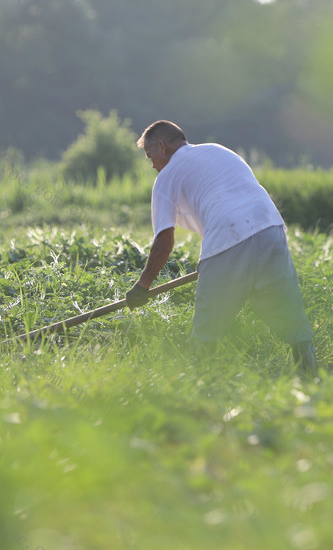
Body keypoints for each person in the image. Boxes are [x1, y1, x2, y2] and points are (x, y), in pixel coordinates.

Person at [124, 120, 317, 375]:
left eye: (150, 156)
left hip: (228, 239)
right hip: (270, 228)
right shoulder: (219, 150)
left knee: (208, 328)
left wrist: (142, 286)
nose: (152, 165)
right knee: (289, 313)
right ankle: (310, 378)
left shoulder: (166, 177)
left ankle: (201, 389)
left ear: (162, 147)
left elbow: (164, 242)